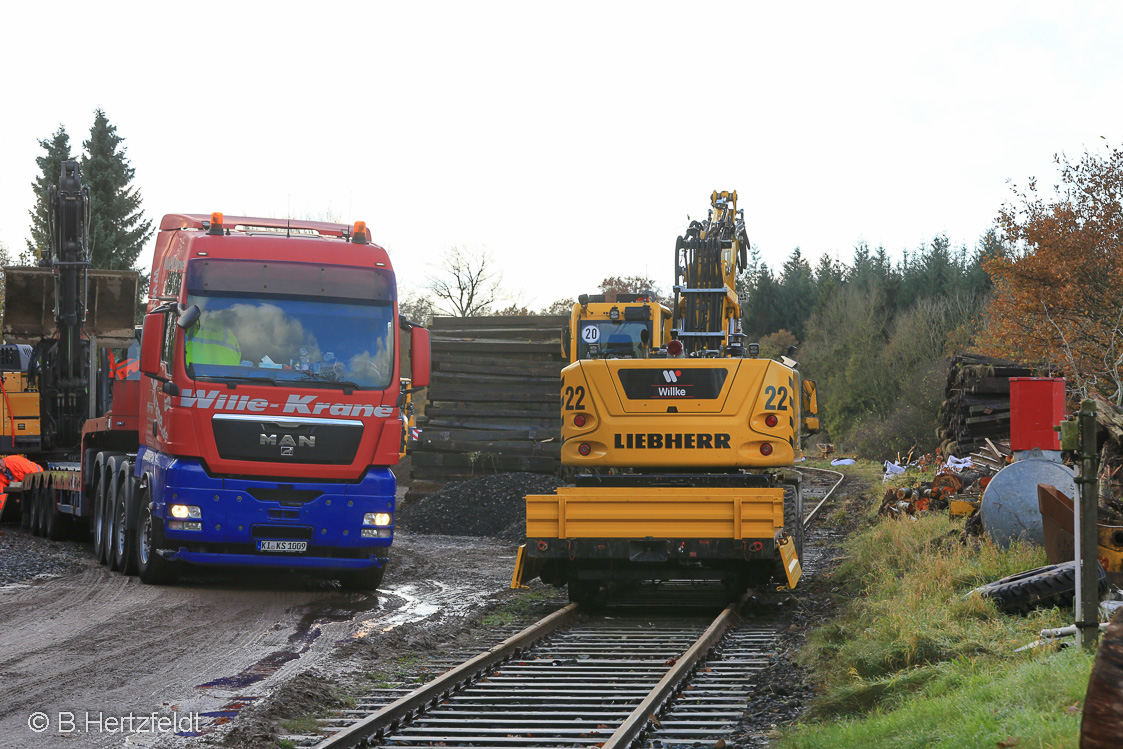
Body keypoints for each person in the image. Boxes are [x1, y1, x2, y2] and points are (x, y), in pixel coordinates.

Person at [0, 454, 43, 522]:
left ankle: (30, 519)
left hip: (35, 476)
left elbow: (34, 473)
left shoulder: (15, 462)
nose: (0, 468)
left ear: (2, 460)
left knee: (27, 495)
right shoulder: (1, 473)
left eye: (0, 464)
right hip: (22, 482)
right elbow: (1, 494)